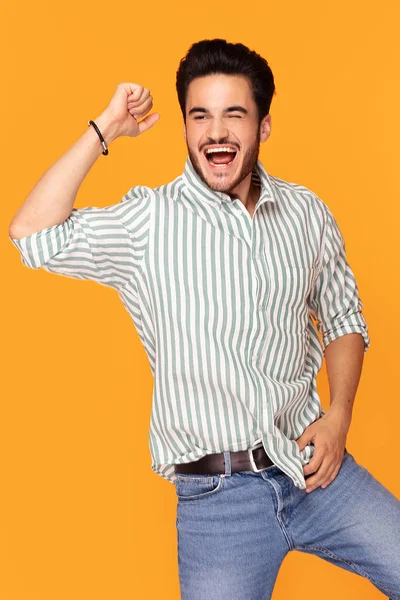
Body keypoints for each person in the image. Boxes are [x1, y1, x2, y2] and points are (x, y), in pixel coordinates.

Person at [9, 38, 400, 600]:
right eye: (201, 115)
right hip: (217, 501)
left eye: (234, 114)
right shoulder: (148, 221)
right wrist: (106, 128)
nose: (216, 132)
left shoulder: (306, 212)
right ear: (187, 127)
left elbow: (343, 319)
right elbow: (31, 237)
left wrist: (338, 416)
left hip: (313, 469)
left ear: (262, 126)